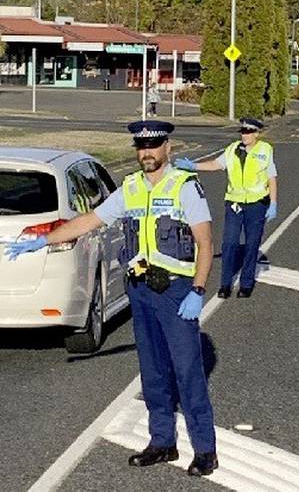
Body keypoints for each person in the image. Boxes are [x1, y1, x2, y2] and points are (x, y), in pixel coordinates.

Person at [5, 120, 218, 477]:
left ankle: (206, 450)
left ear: (168, 148)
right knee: (152, 372)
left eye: (153, 146)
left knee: (187, 373)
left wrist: (198, 290)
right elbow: (91, 220)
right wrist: (45, 240)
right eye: (141, 147)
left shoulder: (185, 187)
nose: (146, 153)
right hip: (141, 290)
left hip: (176, 292)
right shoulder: (131, 187)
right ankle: (162, 441)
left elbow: (206, 243)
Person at [176, 117, 277, 299]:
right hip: (235, 203)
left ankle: (246, 284)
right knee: (229, 244)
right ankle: (225, 285)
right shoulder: (232, 149)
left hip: (257, 204)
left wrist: (274, 202)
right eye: (242, 132)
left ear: (256, 133)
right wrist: (193, 166)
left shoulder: (265, 150)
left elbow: (271, 177)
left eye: (248, 132)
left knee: (252, 244)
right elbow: (216, 164)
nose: (244, 135)